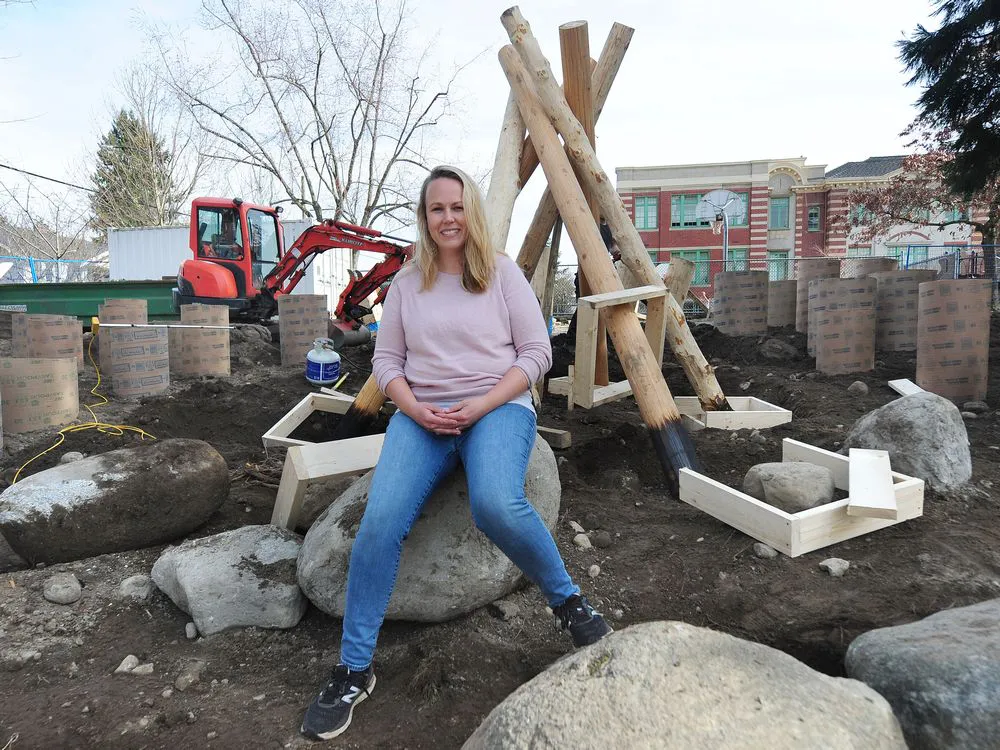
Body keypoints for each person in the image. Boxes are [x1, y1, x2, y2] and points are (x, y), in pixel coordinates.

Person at [299, 165, 612, 742]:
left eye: (458, 206)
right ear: (425, 218)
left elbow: (537, 353)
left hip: (496, 410)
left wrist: (482, 404)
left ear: (473, 212)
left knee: (494, 503)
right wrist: (416, 410)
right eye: (437, 208)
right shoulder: (406, 285)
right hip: (422, 418)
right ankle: (354, 670)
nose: (448, 218)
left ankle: (570, 604)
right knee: (379, 524)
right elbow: (386, 362)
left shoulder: (502, 274)